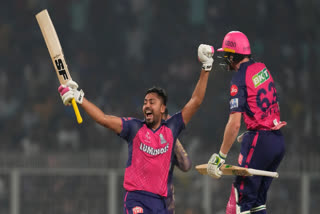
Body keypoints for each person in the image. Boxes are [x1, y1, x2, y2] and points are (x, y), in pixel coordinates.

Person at [58, 44, 214, 214]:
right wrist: (80, 98)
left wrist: (206, 67)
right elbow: (103, 119)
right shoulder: (134, 128)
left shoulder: (171, 127)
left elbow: (196, 101)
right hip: (136, 198)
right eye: (145, 102)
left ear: (163, 109)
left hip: (161, 203)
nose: (147, 105)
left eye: (152, 102)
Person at [206, 31, 286, 214]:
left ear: (233, 55)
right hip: (277, 141)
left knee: (238, 204)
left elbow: (234, 124)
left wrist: (220, 156)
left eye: (226, 55)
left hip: (260, 141)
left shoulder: (239, 78)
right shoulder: (261, 67)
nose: (225, 59)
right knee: (257, 205)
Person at [162, 109, 192, 214]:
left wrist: (172, 135)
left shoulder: (169, 145)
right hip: (146, 201)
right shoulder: (143, 137)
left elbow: (186, 165)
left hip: (166, 204)